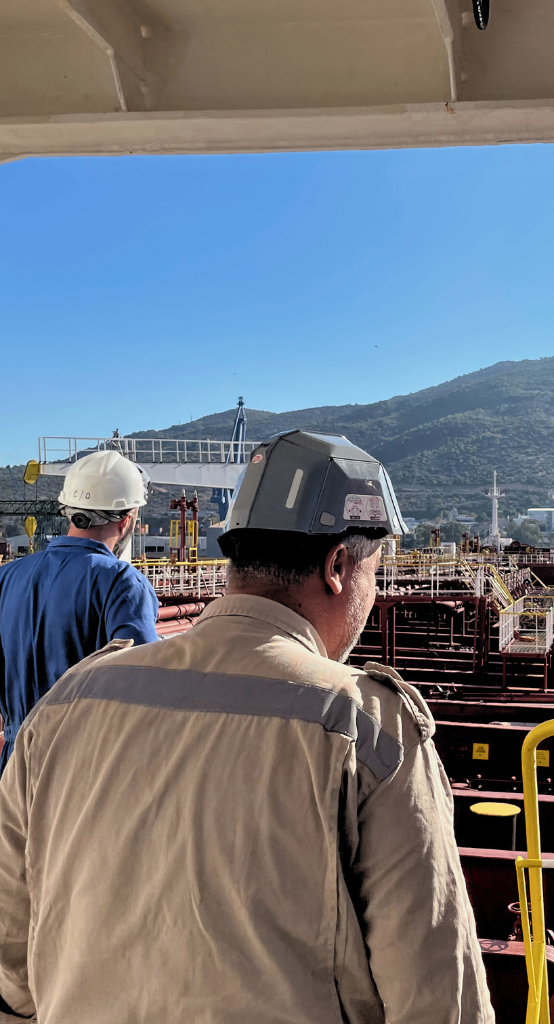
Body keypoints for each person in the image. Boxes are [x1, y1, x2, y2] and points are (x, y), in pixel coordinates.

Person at [0, 430, 492, 1024]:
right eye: (375, 570)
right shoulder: (366, 729)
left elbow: (13, 971)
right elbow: (437, 1004)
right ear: (338, 565)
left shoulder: (61, 708)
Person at [0, 449, 158, 774]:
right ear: (127, 518)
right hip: (82, 773)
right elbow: (146, 692)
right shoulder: (122, 583)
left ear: (69, 510)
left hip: (13, 770)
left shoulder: (6, 577)